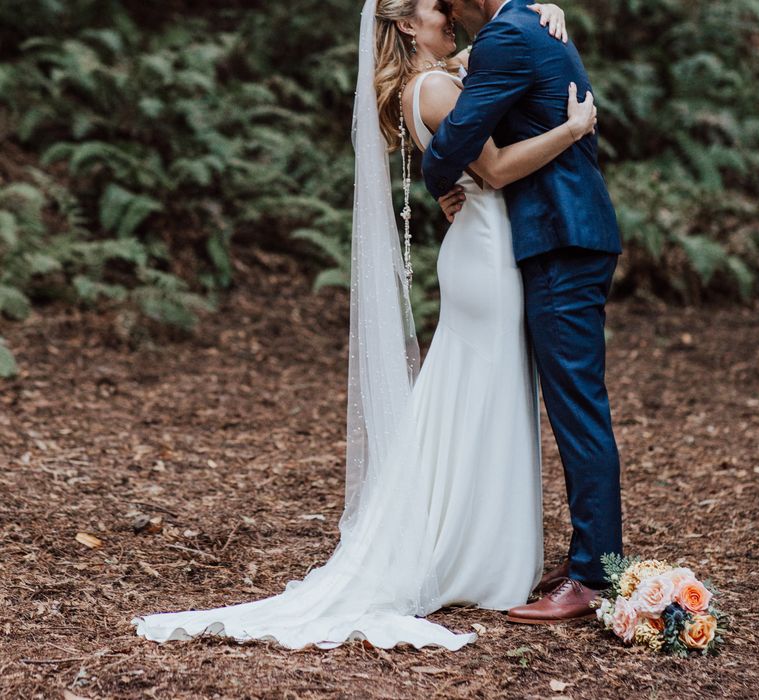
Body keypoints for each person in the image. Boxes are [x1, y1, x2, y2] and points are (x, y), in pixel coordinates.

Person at [132, 0, 597, 650]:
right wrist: (575, 129)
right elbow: (490, 168)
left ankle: (472, 541)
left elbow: (485, 65)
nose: (449, 16)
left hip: (478, 247)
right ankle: (479, 554)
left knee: (466, 396)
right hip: (487, 253)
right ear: (407, 26)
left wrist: (541, 4)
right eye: (436, 10)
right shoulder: (434, 88)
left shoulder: (426, 83)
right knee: (485, 397)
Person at [422, 0, 624, 625]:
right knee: (575, 403)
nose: (449, 11)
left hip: (562, 236)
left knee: (577, 406)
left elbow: (452, 144)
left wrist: (434, 178)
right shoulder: (528, 24)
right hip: (564, 234)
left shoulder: (509, 35)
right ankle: (594, 555)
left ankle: (594, 575)